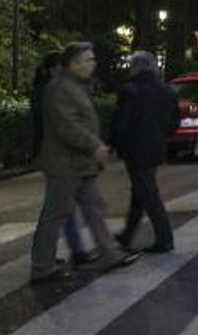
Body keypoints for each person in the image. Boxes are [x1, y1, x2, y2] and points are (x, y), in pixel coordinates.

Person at [28, 42, 139, 283]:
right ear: (74, 63)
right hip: (65, 164)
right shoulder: (60, 88)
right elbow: (67, 126)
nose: (93, 64)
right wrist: (94, 145)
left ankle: (109, 253)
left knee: (94, 209)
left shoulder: (73, 86)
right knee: (55, 214)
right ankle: (41, 266)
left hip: (80, 163)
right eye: (88, 59)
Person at [31, 53, 96, 265]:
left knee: (65, 207)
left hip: (62, 157)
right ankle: (50, 259)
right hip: (61, 158)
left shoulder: (50, 89)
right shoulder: (52, 91)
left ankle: (72, 250)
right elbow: (64, 126)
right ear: (52, 69)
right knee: (60, 209)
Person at [111, 51, 178, 253]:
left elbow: (121, 123)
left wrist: (113, 143)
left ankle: (164, 238)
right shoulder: (167, 91)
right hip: (156, 146)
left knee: (148, 193)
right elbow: (174, 123)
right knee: (141, 192)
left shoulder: (130, 91)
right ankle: (128, 234)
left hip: (135, 148)